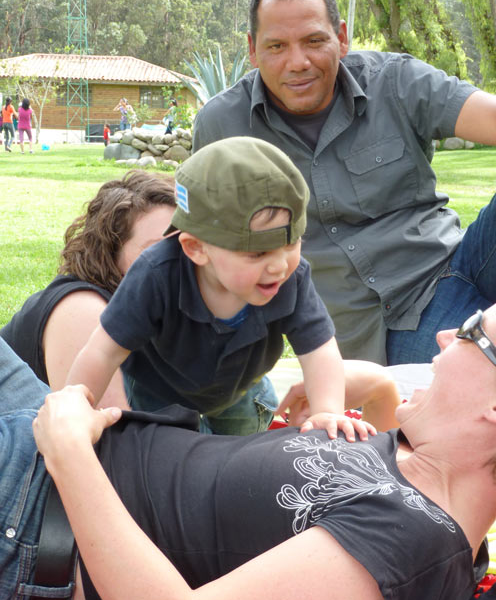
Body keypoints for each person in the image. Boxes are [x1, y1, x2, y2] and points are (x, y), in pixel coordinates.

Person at [2, 274, 496, 600]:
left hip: (33, 514)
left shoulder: (410, 550)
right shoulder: (420, 478)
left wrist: (70, 454)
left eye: (473, 333)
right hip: (52, 453)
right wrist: (378, 390)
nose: (446, 335)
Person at [192, 0, 496, 366]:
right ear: (253, 49)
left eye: (314, 41)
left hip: (457, 263)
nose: (297, 62)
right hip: (389, 326)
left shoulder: (395, 82)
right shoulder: (222, 126)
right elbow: (199, 244)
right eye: (277, 46)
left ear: (341, 37)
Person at [67, 137, 368, 440]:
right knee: (163, 450)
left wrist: (327, 410)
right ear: (197, 248)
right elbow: (102, 352)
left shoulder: (293, 277)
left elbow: (320, 350)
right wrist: (75, 410)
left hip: (239, 388)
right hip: (159, 388)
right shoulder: (156, 274)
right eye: (257, 253)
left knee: (242, 447)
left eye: (291, 244)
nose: (279, 266)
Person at [0, 171, 176, 408]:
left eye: (185, 245)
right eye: (156, 250)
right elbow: (109, 428)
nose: (178, 261)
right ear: (110, 253)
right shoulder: (83, 309)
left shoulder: (160, 309)